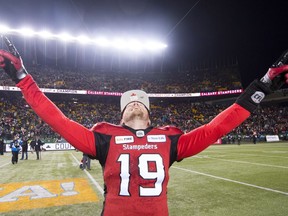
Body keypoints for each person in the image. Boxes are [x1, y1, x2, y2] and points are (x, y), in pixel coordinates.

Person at [0, 36, 288, 215]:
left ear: (150, 116)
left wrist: (261, 86)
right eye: (129, 103)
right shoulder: (103, 139)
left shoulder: (170, 141)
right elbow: (57, 119)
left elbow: (217, 127)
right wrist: (23, 78)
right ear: (121, 116)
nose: (135, 103)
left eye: (140, 102)